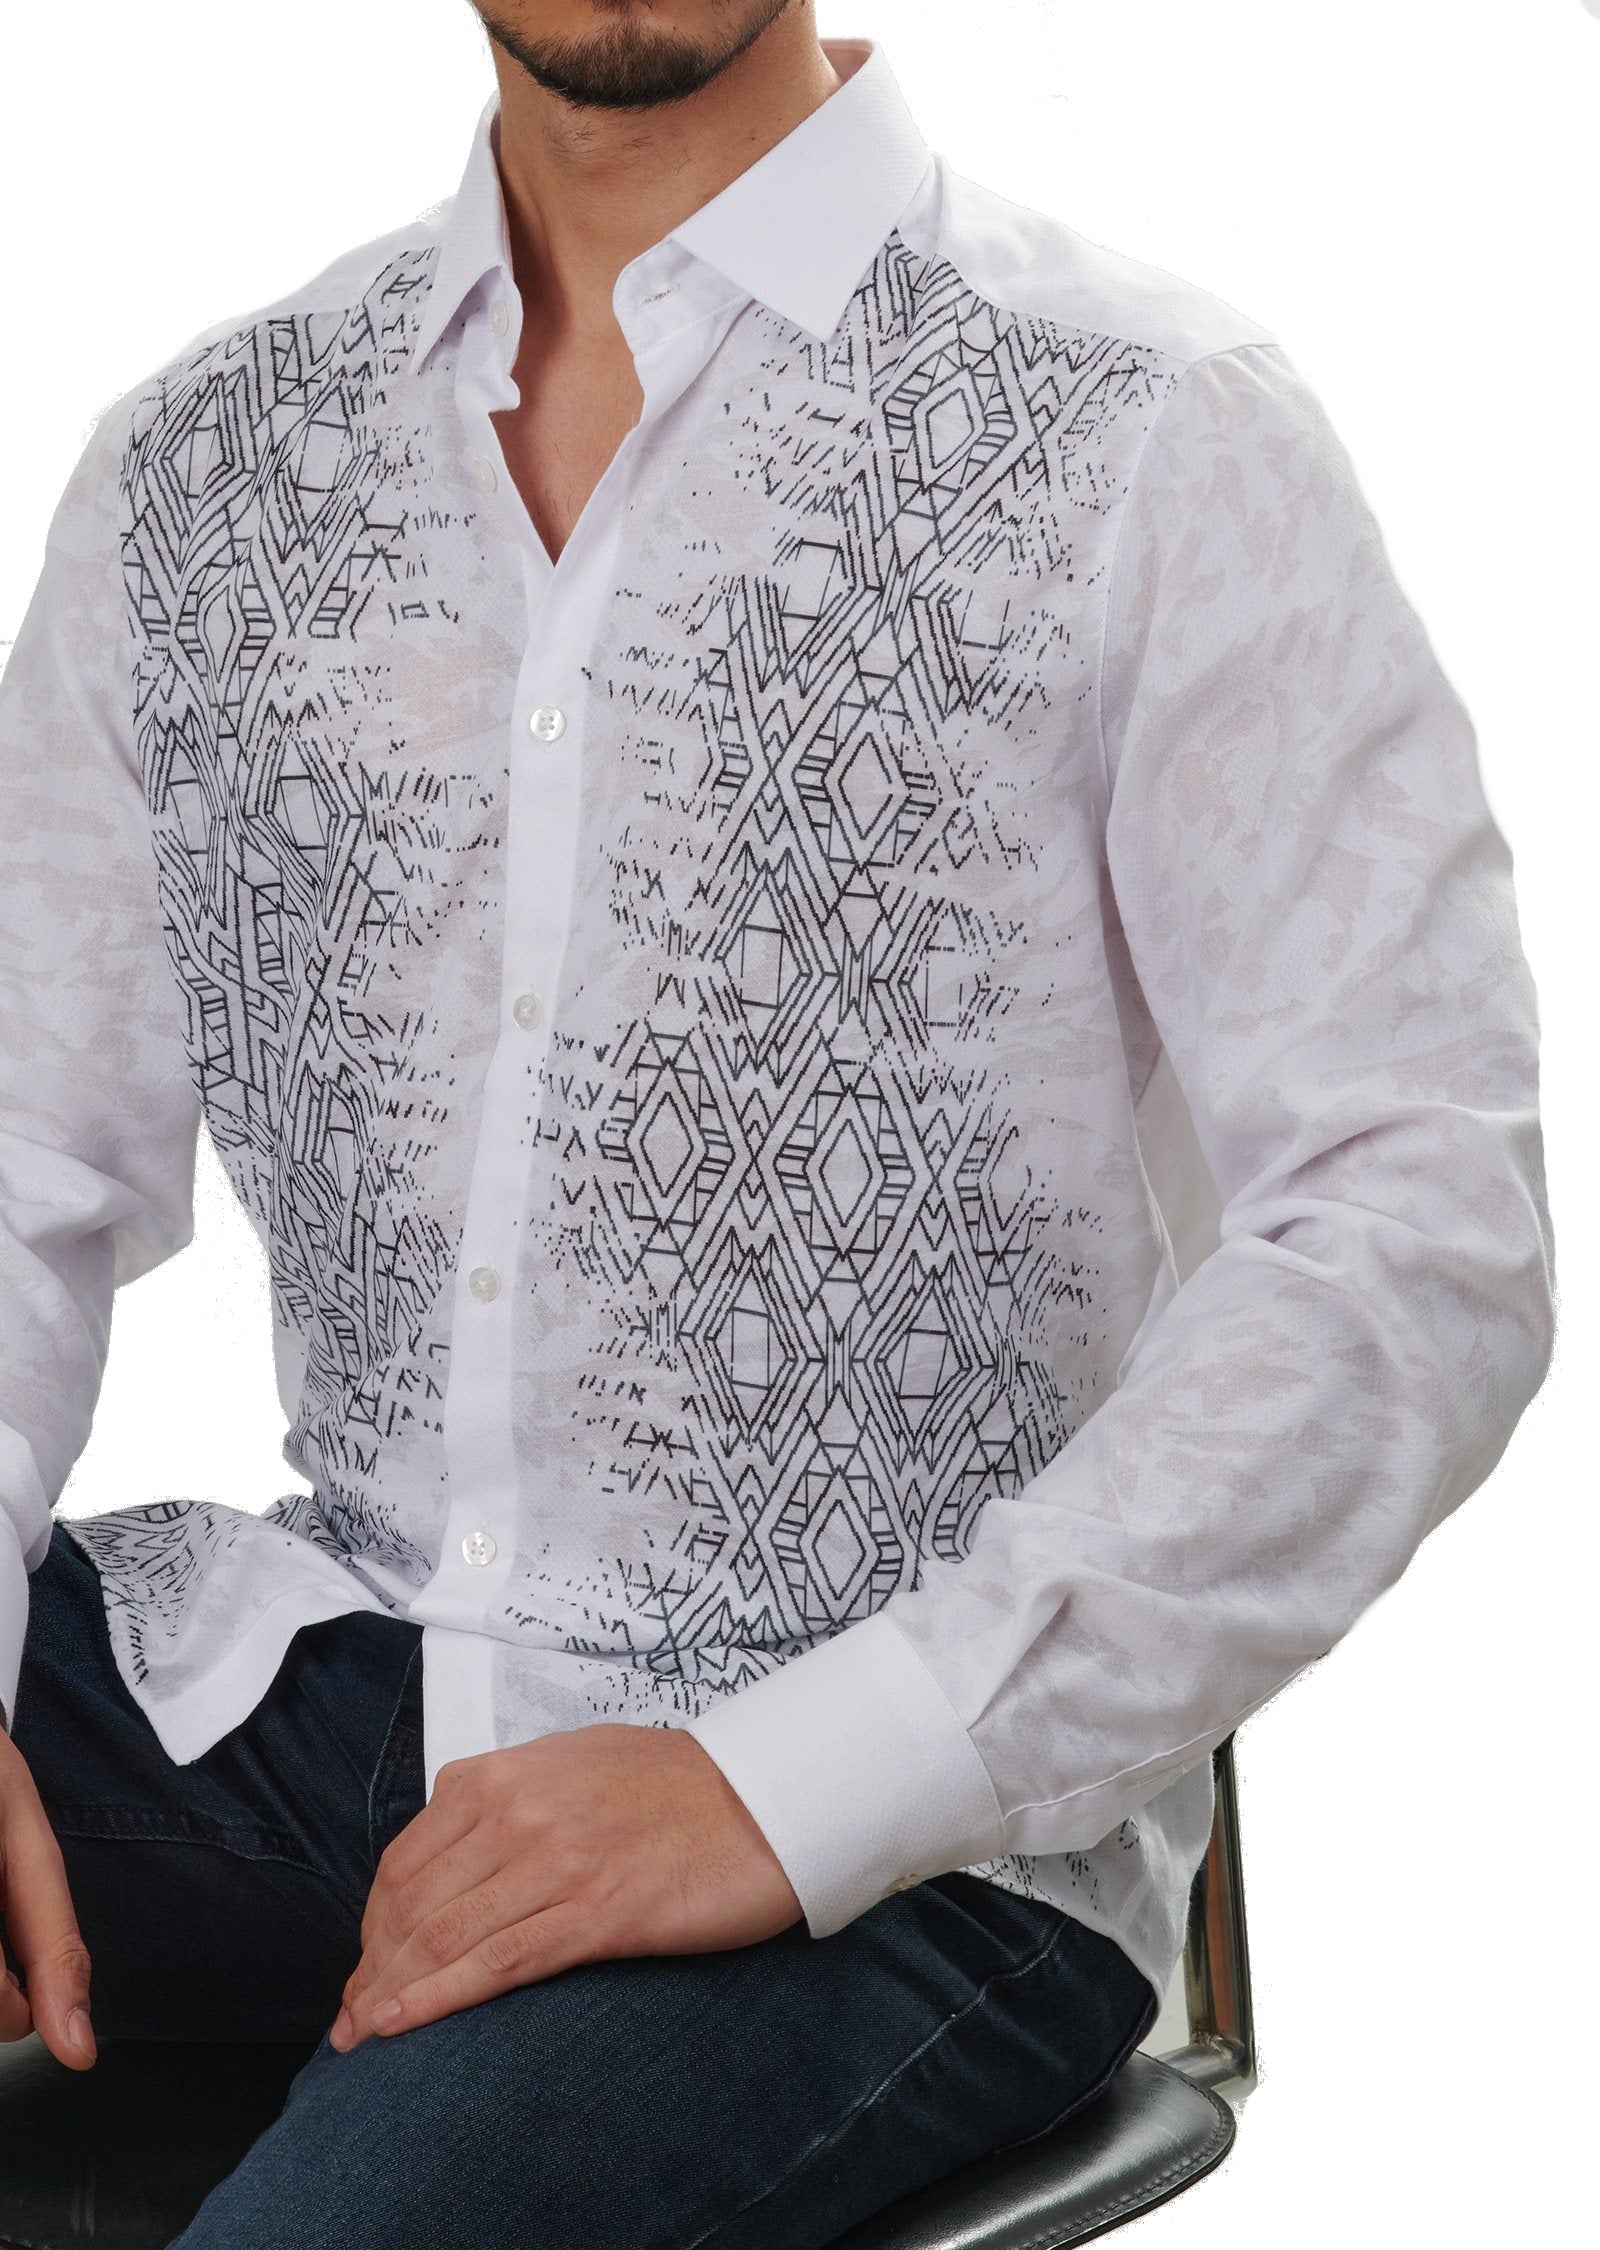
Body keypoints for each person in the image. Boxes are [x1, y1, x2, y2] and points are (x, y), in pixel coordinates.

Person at [0, 4, 1557, 2245]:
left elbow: (1416, 1221)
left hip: (905, 1853)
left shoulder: (1148, 435)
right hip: (329, 1674)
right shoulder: (204, 470)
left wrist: (785, 1783)